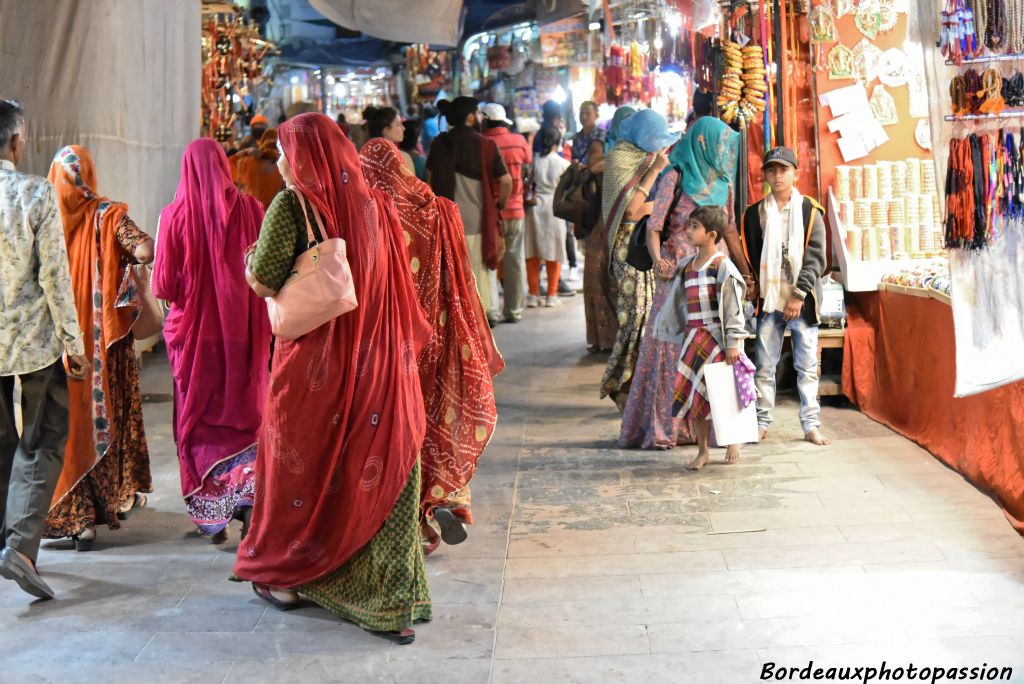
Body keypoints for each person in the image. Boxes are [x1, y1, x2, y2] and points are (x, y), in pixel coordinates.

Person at [235, 113, 431, 645]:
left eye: (284, 150)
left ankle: (292, 576)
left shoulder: (293, 203)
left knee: (303, 469)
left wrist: (251, 257)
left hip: (316, 369)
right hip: (383, 366)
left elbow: (264, 279)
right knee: (377, 464)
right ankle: (388, 599)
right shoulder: (377, 205)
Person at [359, 137, 503, 554]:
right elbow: (460, 278)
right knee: (434, 418)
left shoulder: (371, 214)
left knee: (391, 430)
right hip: (437, 334)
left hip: (389, 343)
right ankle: (440, 499)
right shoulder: (440, 208)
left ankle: (406, 520)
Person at [152, 139, 271, 543]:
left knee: (199, 419)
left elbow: (164, 285)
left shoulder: (174, 216)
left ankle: (213, 512)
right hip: (244, 335)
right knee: (245, 411)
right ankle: (247, 499)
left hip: (195, 341)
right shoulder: (252, 209)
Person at [40, 146, 154, 552]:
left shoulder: (45, 215)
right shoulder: (109, 215)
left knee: (66, 425)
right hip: (105, 348)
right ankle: (107, 502)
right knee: (104, 419)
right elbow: (144, 249)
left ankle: (77, 519)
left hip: (57, 346)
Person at [0, 100, 88, 599]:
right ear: (15, 142)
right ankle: (20, 549)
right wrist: (73, 344)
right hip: (34, 344)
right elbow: (56, 276)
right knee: (43, 440)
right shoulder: (34, 192)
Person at [619, 117, 740, 450]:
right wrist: (659, 261)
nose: (722, 151)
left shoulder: (723, 182)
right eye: (717, 144)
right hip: (677, 273)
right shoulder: (675, 174)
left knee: (712, 348)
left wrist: (745, 270)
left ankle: (715, 429)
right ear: (702, 142)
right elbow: (654, 226)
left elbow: (729, 229)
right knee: (670, 345)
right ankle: (666, 426)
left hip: (714, 273)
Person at [738, 146, 831, 446]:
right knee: (765, 366)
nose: (778, 176)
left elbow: (817, 257)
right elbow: (752, 256)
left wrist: (799, 294)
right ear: (764, 174)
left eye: (784, 170)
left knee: (806, 365)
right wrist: (754, 284)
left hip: (801, 302)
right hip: (769, 301)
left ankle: (811, 424)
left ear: (796, 174)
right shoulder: (754, 214)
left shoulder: (809, 211)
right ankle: (762, 421)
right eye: (772, 170)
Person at [654, 206, 748, 470]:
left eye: (695, 226)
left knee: (724, 392)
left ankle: (732, 441)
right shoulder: (686, 266)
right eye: (690, 225)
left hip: (715, 339)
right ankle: (703, 450)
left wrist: (733, 344)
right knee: (695, 396)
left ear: (711, 234)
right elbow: (677, 299)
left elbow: (733, 308)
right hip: (693, 338)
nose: (688, 231)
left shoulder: (722, 266)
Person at [599, 108, 676, 410]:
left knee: (649, 317)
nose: (659, 148)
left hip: (644, 244)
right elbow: (631, 211)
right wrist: (655, 174)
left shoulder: (644, 156)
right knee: (635, 316)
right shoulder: (620, 157)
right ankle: (620, 385)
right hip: (625, 247)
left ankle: (636, 388)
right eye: (655, 140)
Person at [426, 96, 512, 328]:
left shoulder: (439, 144)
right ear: (470, 117)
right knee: (479, 271)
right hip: (479, 220)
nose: (481, 118)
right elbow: (506, 181)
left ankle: (456, 316)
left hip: (447, 221)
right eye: (478, 113)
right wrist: (500, 204)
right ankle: (480, 315)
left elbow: (430, 182)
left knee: (453, 271)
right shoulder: (486, 146)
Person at [481, 102, 531, 322]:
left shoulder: (484, 143)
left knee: (490, 260)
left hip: (492, 210)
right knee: (515, 260)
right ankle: (514, 310)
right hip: (517, 208)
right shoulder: (519, 141)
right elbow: (528, 165)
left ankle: (491, 310)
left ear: (484, 121)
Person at [525, 127, 572, 308]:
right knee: (554, 250)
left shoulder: (534, 162)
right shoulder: (562, 163)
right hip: (555, 207)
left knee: (533, 251)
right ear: (556, 142)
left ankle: (533, 294)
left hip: (534, 206)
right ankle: (552, 294)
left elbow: (528, 182)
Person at [579, 139, 618, 352]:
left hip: (618, 228)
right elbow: (593, 166)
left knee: (614, 285)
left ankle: (615, 341)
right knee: (597, 282)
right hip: (601, 226)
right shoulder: (612, 150)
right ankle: (601, 339)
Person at [234, 128, 285, 209]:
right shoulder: (283, 164)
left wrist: (245, 152)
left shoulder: (247, 161)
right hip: (275, 211)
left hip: (253, 211)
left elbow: (230, 167)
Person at [571, 100, 605, 166]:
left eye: (588, 113)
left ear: (596, 115)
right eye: (581, 113)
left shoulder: (603, 135)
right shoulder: (576, 137)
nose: (584, 116)